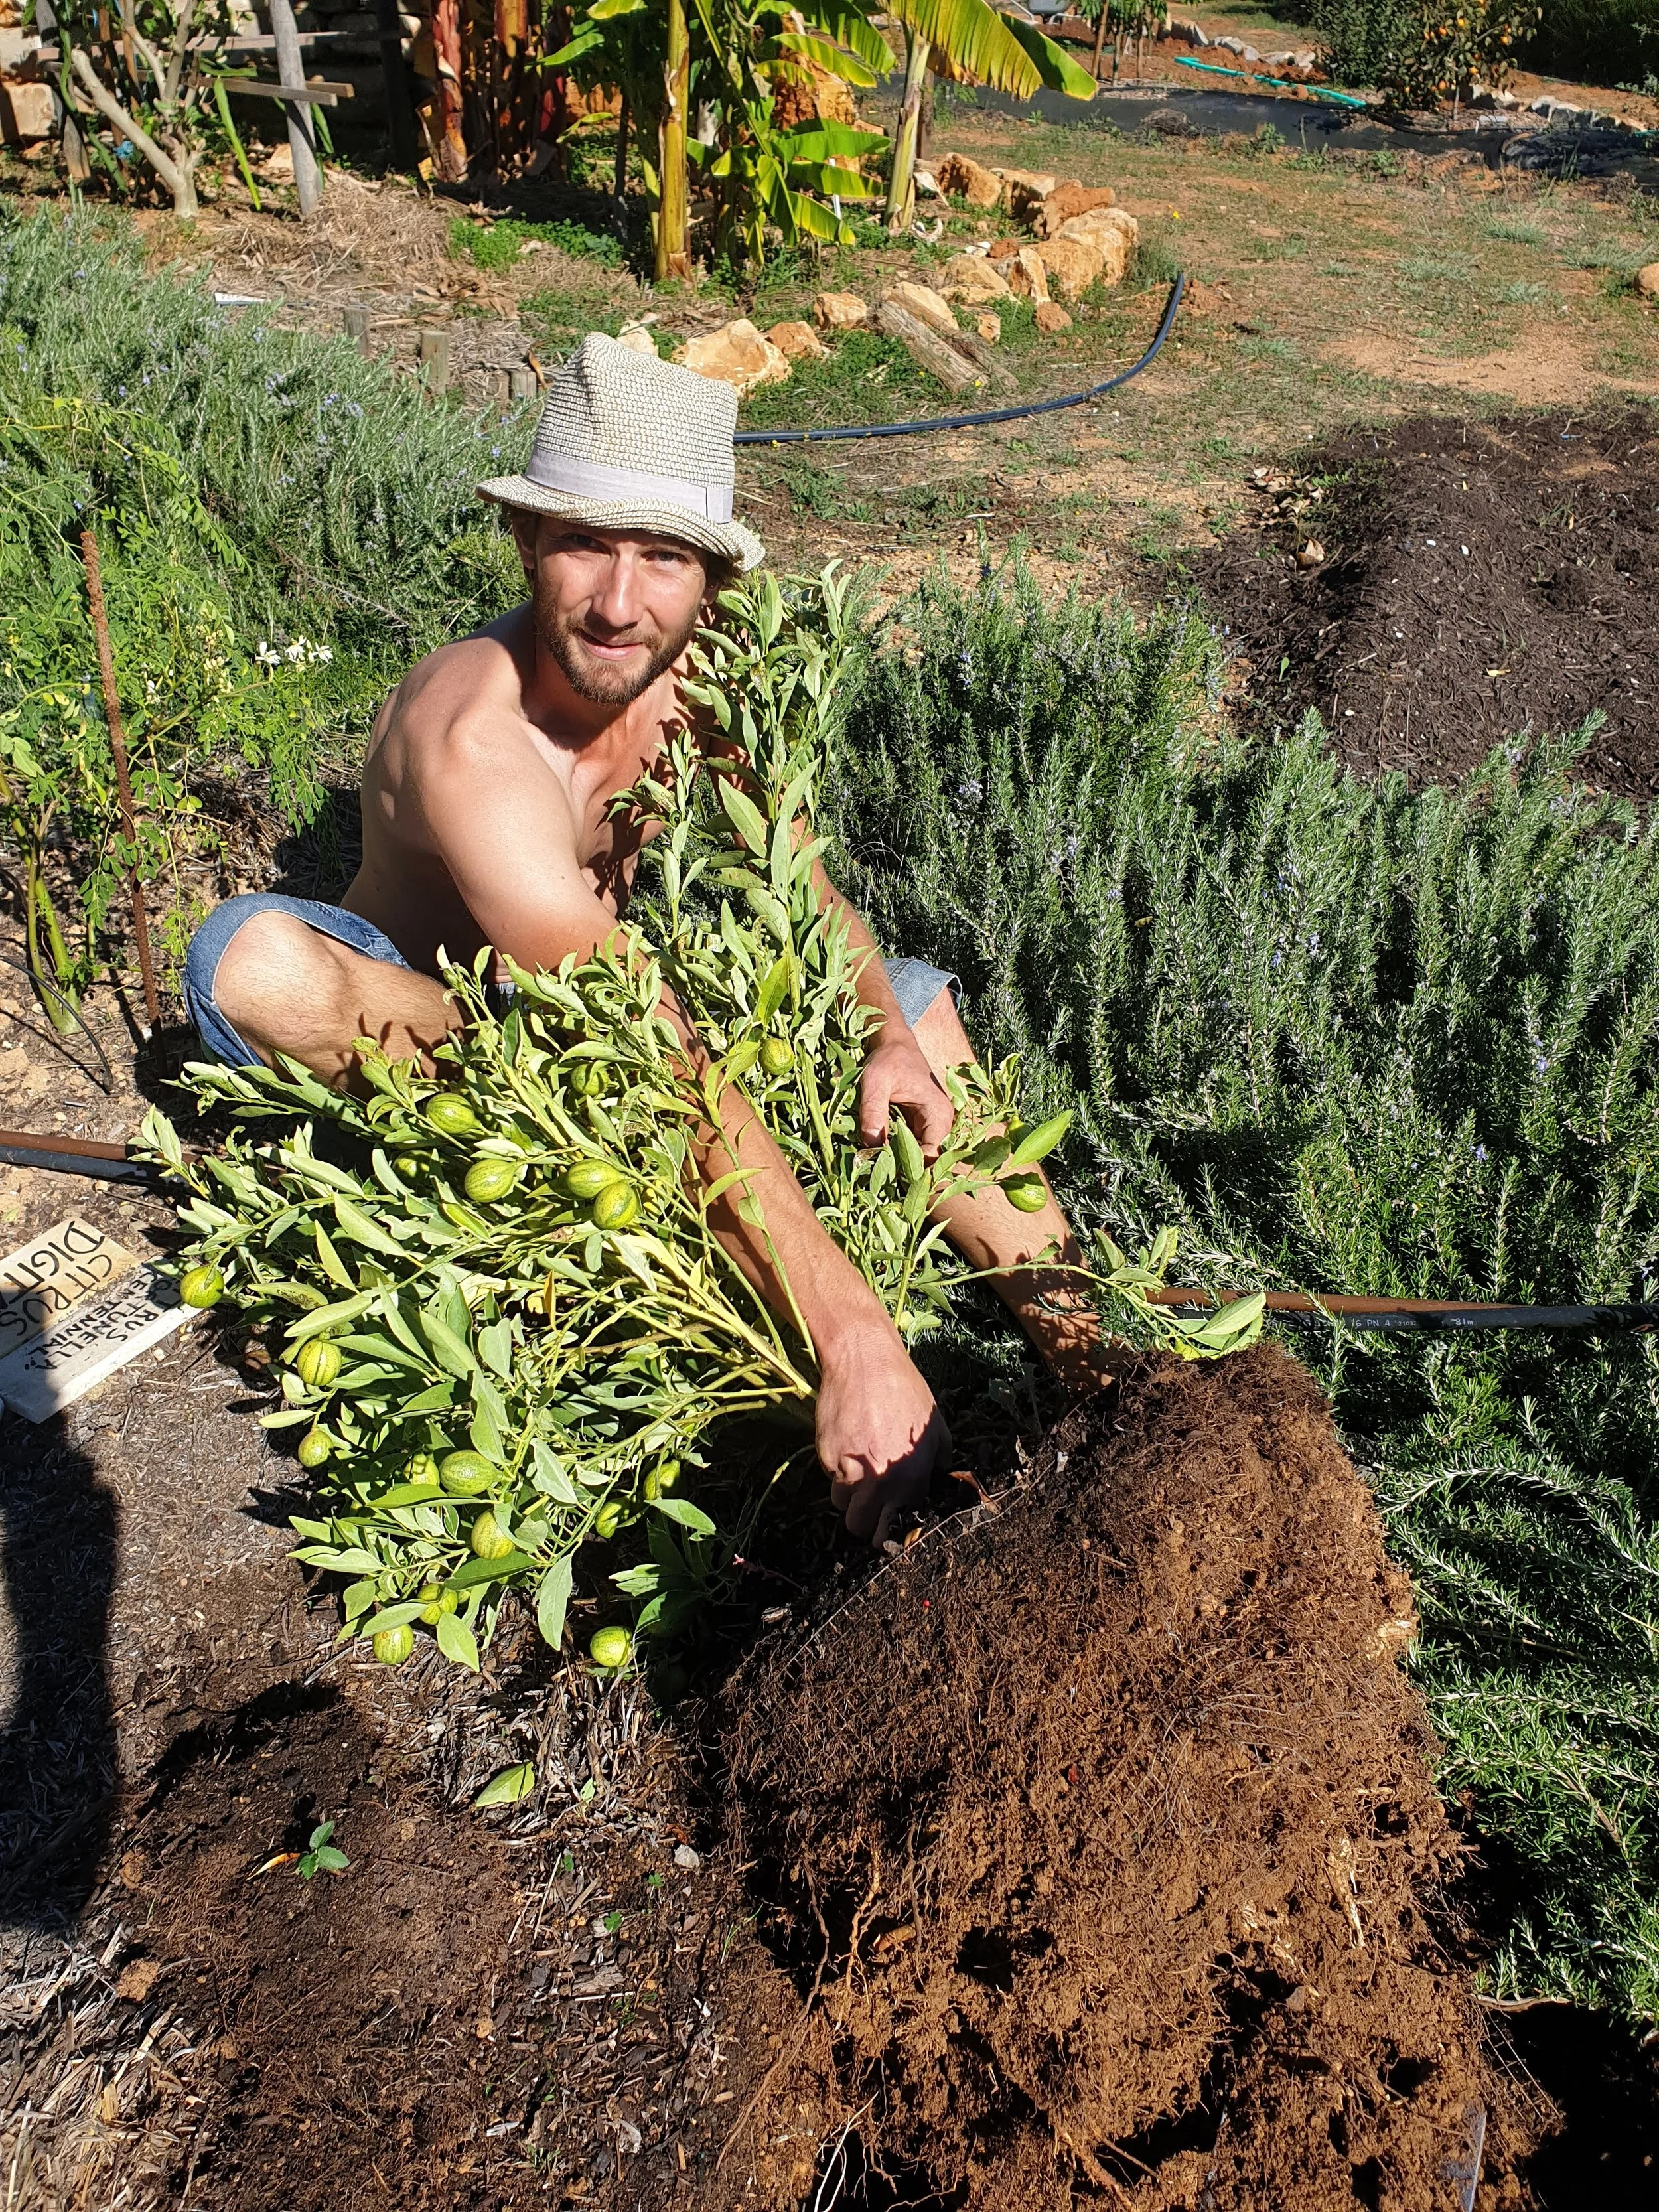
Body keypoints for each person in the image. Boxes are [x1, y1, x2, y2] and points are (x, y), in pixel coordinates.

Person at [183, 334, 1100, 1538]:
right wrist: (855, 1336)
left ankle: (1101, 1364)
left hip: (624, 995)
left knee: (915, 1010)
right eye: (584, 547)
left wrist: (879, 1028)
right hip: (446, 1021)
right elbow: (637, 1045)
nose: (621, 603)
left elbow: (802, 879)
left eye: (661, 557)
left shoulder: (701, 683)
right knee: (245, 959)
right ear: (526, 544)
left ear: (709, 580)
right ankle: (843, 1324)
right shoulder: (478, 737)